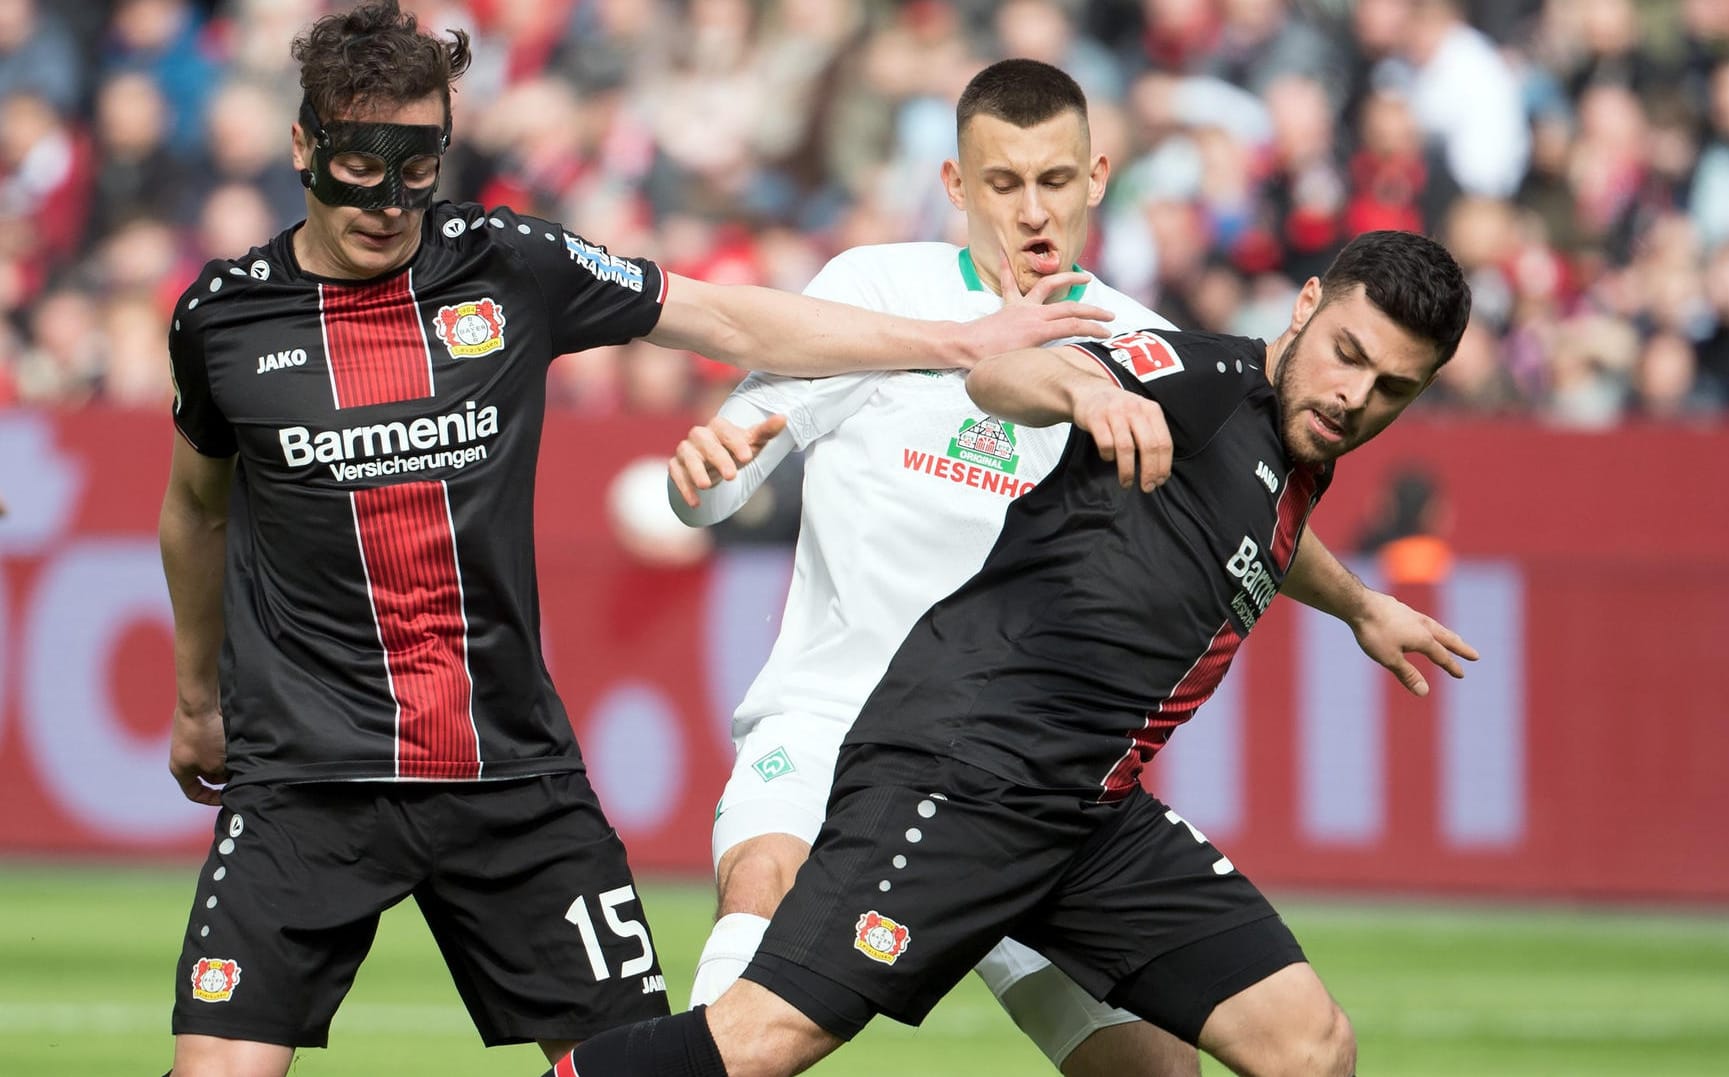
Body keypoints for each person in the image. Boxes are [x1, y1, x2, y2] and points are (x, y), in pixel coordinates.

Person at [156, 4, 1111, 1076]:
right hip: (304, 774)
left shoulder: (506, 262)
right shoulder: (222, 321)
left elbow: (729, 320)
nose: (386, 197)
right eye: (356, 163)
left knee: (640, 1067)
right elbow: (195, 506)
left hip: (505, 773)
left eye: (414, 161)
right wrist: (199, 699)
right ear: (303, 146)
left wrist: (955, 341)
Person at [550, 229, 1479, 1077]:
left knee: (1310, 1046)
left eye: (1393, 387)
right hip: (963, 775)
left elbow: (1255, 531)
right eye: (1348, 355)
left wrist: (1360, 605)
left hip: (1089, 815)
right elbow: (1005, 381)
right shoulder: (1199, 376)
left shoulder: (1286, 462)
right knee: (760, 1037)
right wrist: (1084, 390)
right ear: (1306, 306)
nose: (1354, 396)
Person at [667, 58, 1196, 1076]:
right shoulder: (872, 288)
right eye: (1002, 184)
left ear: (1098, 176)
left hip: (1010, 766)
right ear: (956, 185)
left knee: (1153, 1067)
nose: (1031, 211)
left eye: (1054, 180)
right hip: (828, 722)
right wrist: (699, 481)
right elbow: (723, 476)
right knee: (763, 891)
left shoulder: (1153, 352)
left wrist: (1353, 604)